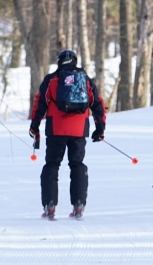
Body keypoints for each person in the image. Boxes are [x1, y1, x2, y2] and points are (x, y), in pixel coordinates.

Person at [30, 49, 106, 220]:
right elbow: (97, 103)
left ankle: (50, 206)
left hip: (56, 129)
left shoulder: (52, 80)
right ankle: (78, 205)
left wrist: (34, 126)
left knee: (52, 165)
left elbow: (40, 104)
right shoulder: (84, 79)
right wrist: (100, 128)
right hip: (79, 130)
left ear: (59, 62)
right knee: (77, 165)